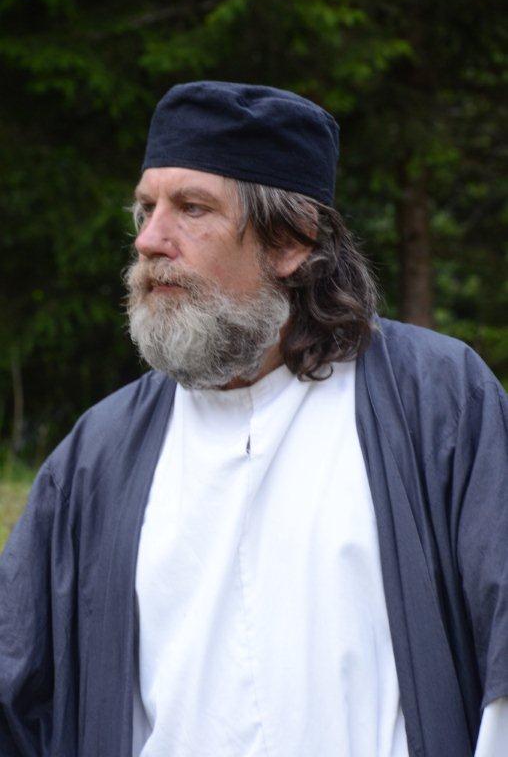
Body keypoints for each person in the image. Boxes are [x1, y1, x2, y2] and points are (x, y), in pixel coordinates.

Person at [0, 81, 507, 757]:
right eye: (146, 208)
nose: (150, 239)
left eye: (192, 208)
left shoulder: (437, 402)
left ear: (291, 241)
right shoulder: (98, 454)